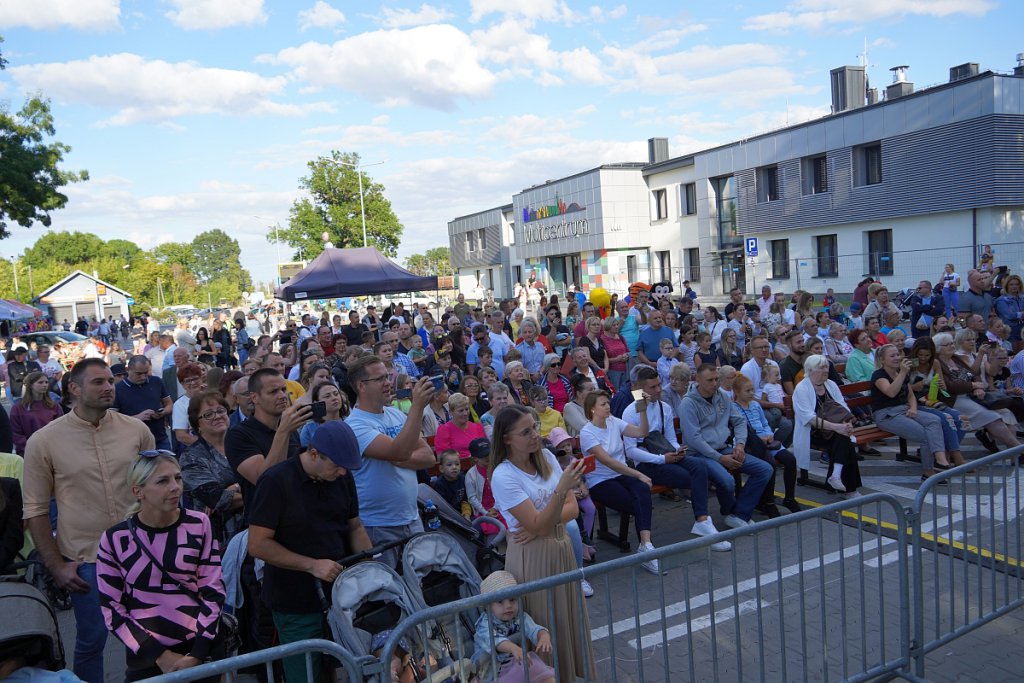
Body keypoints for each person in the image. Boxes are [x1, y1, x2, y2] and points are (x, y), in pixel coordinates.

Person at [23, 358, 155, 682]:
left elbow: (155, 487)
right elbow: (35, 509)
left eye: (110, 381)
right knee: (92, 639)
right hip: (86, 560)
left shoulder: (136, 431)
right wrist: (56, 566)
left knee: (149, 634)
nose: (108, 387)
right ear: (74, 388)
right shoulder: (44, 441)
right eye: (98, 382)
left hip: (142, 552)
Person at [247, 420, 372, 683]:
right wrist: (312, 565)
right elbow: (257, 544)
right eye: (336, 466)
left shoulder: (342, 476)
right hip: (296, 603)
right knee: (304, 676)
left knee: (340, 669)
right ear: (313, 454)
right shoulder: (276, 481)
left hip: (342, 597)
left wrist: (369, 568)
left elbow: (355, 527)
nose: (342, 473)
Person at [96, 452, 225, 682]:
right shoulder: (114, 538)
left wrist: (197, 654)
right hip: (145, 655)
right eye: (163, 481)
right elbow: (112, 608)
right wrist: (160, 656)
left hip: (200, 648)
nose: (175, 487)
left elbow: (213, 591)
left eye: (178, 478)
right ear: (138, 491)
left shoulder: (199, 523)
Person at [489, 404, 595, 682]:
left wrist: (540, 524)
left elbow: (572, 509)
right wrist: (558, 494)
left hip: (560, 548)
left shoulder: (546, 456)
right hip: (532, 557)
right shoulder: (503, 475)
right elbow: (543, 519)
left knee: (566, 619)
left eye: (534, 427)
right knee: (543, 625)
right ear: (507, 439)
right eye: (526, 432)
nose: (535, 434)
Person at [622, 367, 733, 549]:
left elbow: (671, 439)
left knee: (699, 466)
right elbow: (631, 451)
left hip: (667, 456)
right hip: (647, 463)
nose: (658, 390)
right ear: (640, 389)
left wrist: (677, 450)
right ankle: (703, 522)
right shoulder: (631, 411)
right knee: (691, 477)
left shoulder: (663, 407)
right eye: (652, 387)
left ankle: (702, 521)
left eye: (659, 385)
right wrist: (662, 459)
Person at [346, 355, 437, 567]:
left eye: (387, 377)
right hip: (378, 525)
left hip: (411, 518)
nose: (388, 383)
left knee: (422, 579)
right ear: (361, 386)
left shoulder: (396, 415)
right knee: (388, 583)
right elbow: (399, 452)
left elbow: (428, 457)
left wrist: (397, 458)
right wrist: (417, 407)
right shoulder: (354, 425)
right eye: (380, 379)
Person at [580, 389, 670, 568]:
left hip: (621, 475)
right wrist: (638, 474)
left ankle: (645, 544)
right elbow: (608, 462)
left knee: (642, 491)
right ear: (592, 409)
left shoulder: (613, 421)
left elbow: (642, 432)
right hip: (600, 481)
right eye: (603, 404)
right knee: (638, 502)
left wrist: (642, 409)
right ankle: (646, 548)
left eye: (608, 402)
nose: (608, 406)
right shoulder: (587, 433)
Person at [679, 363, 773, 528]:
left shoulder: (721, 395)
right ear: (698, 379)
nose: (715, 383)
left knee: (765, 469)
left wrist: (740, 445)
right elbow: (694, 439)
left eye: (716, 379)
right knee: (727, 481)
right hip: (700, 454)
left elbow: (739, 421)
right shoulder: (688, 403)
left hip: (724, 448)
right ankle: (730, 512)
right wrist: (720, 458)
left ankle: (739, 513)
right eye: (710, 380)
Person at [224, 368, 310, 516]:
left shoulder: (289, 429)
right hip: (265, 521)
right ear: (254, 397)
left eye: (283, 389)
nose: (282, 395)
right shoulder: (238, 435)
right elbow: (265, 481)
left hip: (298, 515)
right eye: (273, 391)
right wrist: (283, 432)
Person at [870, 344, 951, 480]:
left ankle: (941, 460)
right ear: (882, 360)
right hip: (886, 415)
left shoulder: (900, 372)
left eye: (898, 354)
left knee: (934, 420)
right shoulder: (879, 375)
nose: (897, 358)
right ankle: (928, 472)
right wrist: (902, 373)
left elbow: (910, 395)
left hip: (904, 409)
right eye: (892, 356)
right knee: (925, 435)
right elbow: (891, 392)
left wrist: (913, 408)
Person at [179, 391, 244, 545]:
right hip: (217, 538)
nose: (217, 416)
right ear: (197, 425)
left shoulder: (243, 445)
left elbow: (267, 476)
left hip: (254, 527)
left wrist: (235, 487)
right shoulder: (191, 457)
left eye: (221, 411)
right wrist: (260, 494)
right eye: (208, 414)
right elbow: (218, 500)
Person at [792, 354, 862, 495]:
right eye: (821, 367)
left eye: (826, 367)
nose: (826, 370)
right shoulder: (802, 388)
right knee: (843, 439)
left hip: (834, 429)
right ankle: (848, 489)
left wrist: (847, 424)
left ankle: (836, 477)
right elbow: (809, 418)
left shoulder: (831, 384)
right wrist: (838, 427)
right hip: (813, 431)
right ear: (809, 370)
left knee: (843, 437)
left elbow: (843, 407)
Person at [473, 570, 556, 683]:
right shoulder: (484, 624)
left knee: (539, 671)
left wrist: (544, 636)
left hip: (513, 662)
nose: (508, 605)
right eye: (500, 601)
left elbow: (534, 628)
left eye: (512, 599)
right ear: (488, 606)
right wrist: (513, 648)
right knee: (528, 668)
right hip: (491, 670)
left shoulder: (519, 617)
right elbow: (495, 640)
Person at [733, 374, 799, 514]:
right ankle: (768, 502)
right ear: (737, 392)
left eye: (752, 390)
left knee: (790, 460)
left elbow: (764, 423)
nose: (751, 393)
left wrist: (769, 435)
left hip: (767, 441)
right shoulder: (734, 408)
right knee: (770, 463)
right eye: (747, 391)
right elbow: (740, 430)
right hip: (751, 444)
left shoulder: (755, 405)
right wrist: (759, 439)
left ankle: (789, 498)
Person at [114, 355, 173, 451]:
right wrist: (137, 418)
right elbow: (112, 419)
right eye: (139, 374)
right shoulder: (117, 389)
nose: (143, 377)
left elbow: (169, 404)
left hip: (160, 439)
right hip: (133, 443)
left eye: (146, 373)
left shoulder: (156, 381)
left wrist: (163, 412)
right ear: (128, 370)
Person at [10, 371, 63, 456]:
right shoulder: (18, 408)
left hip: (52, 451)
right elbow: (16, 434)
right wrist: (32, 447)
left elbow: (61, 429)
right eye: (40, 382)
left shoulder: (54, 406)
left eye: (46, 382)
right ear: (31, 385)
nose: (45, 385)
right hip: (29, 452)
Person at [435, 392, 487, 459]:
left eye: (467, 409)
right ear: (451, 412)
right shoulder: (444, 430)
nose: (465, 413)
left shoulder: (477, 427)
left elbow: (484, 449)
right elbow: (443, 458)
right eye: (461, 411)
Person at [430, 450, 471, 518]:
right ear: (441, 468)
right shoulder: (439, 484)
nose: (454, 467)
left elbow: (466, 500)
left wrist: (466, 514)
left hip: (464, 513)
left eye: (457, 464)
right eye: (449, 465)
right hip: (448, 515)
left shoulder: (463, 479)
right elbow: (442, 507)